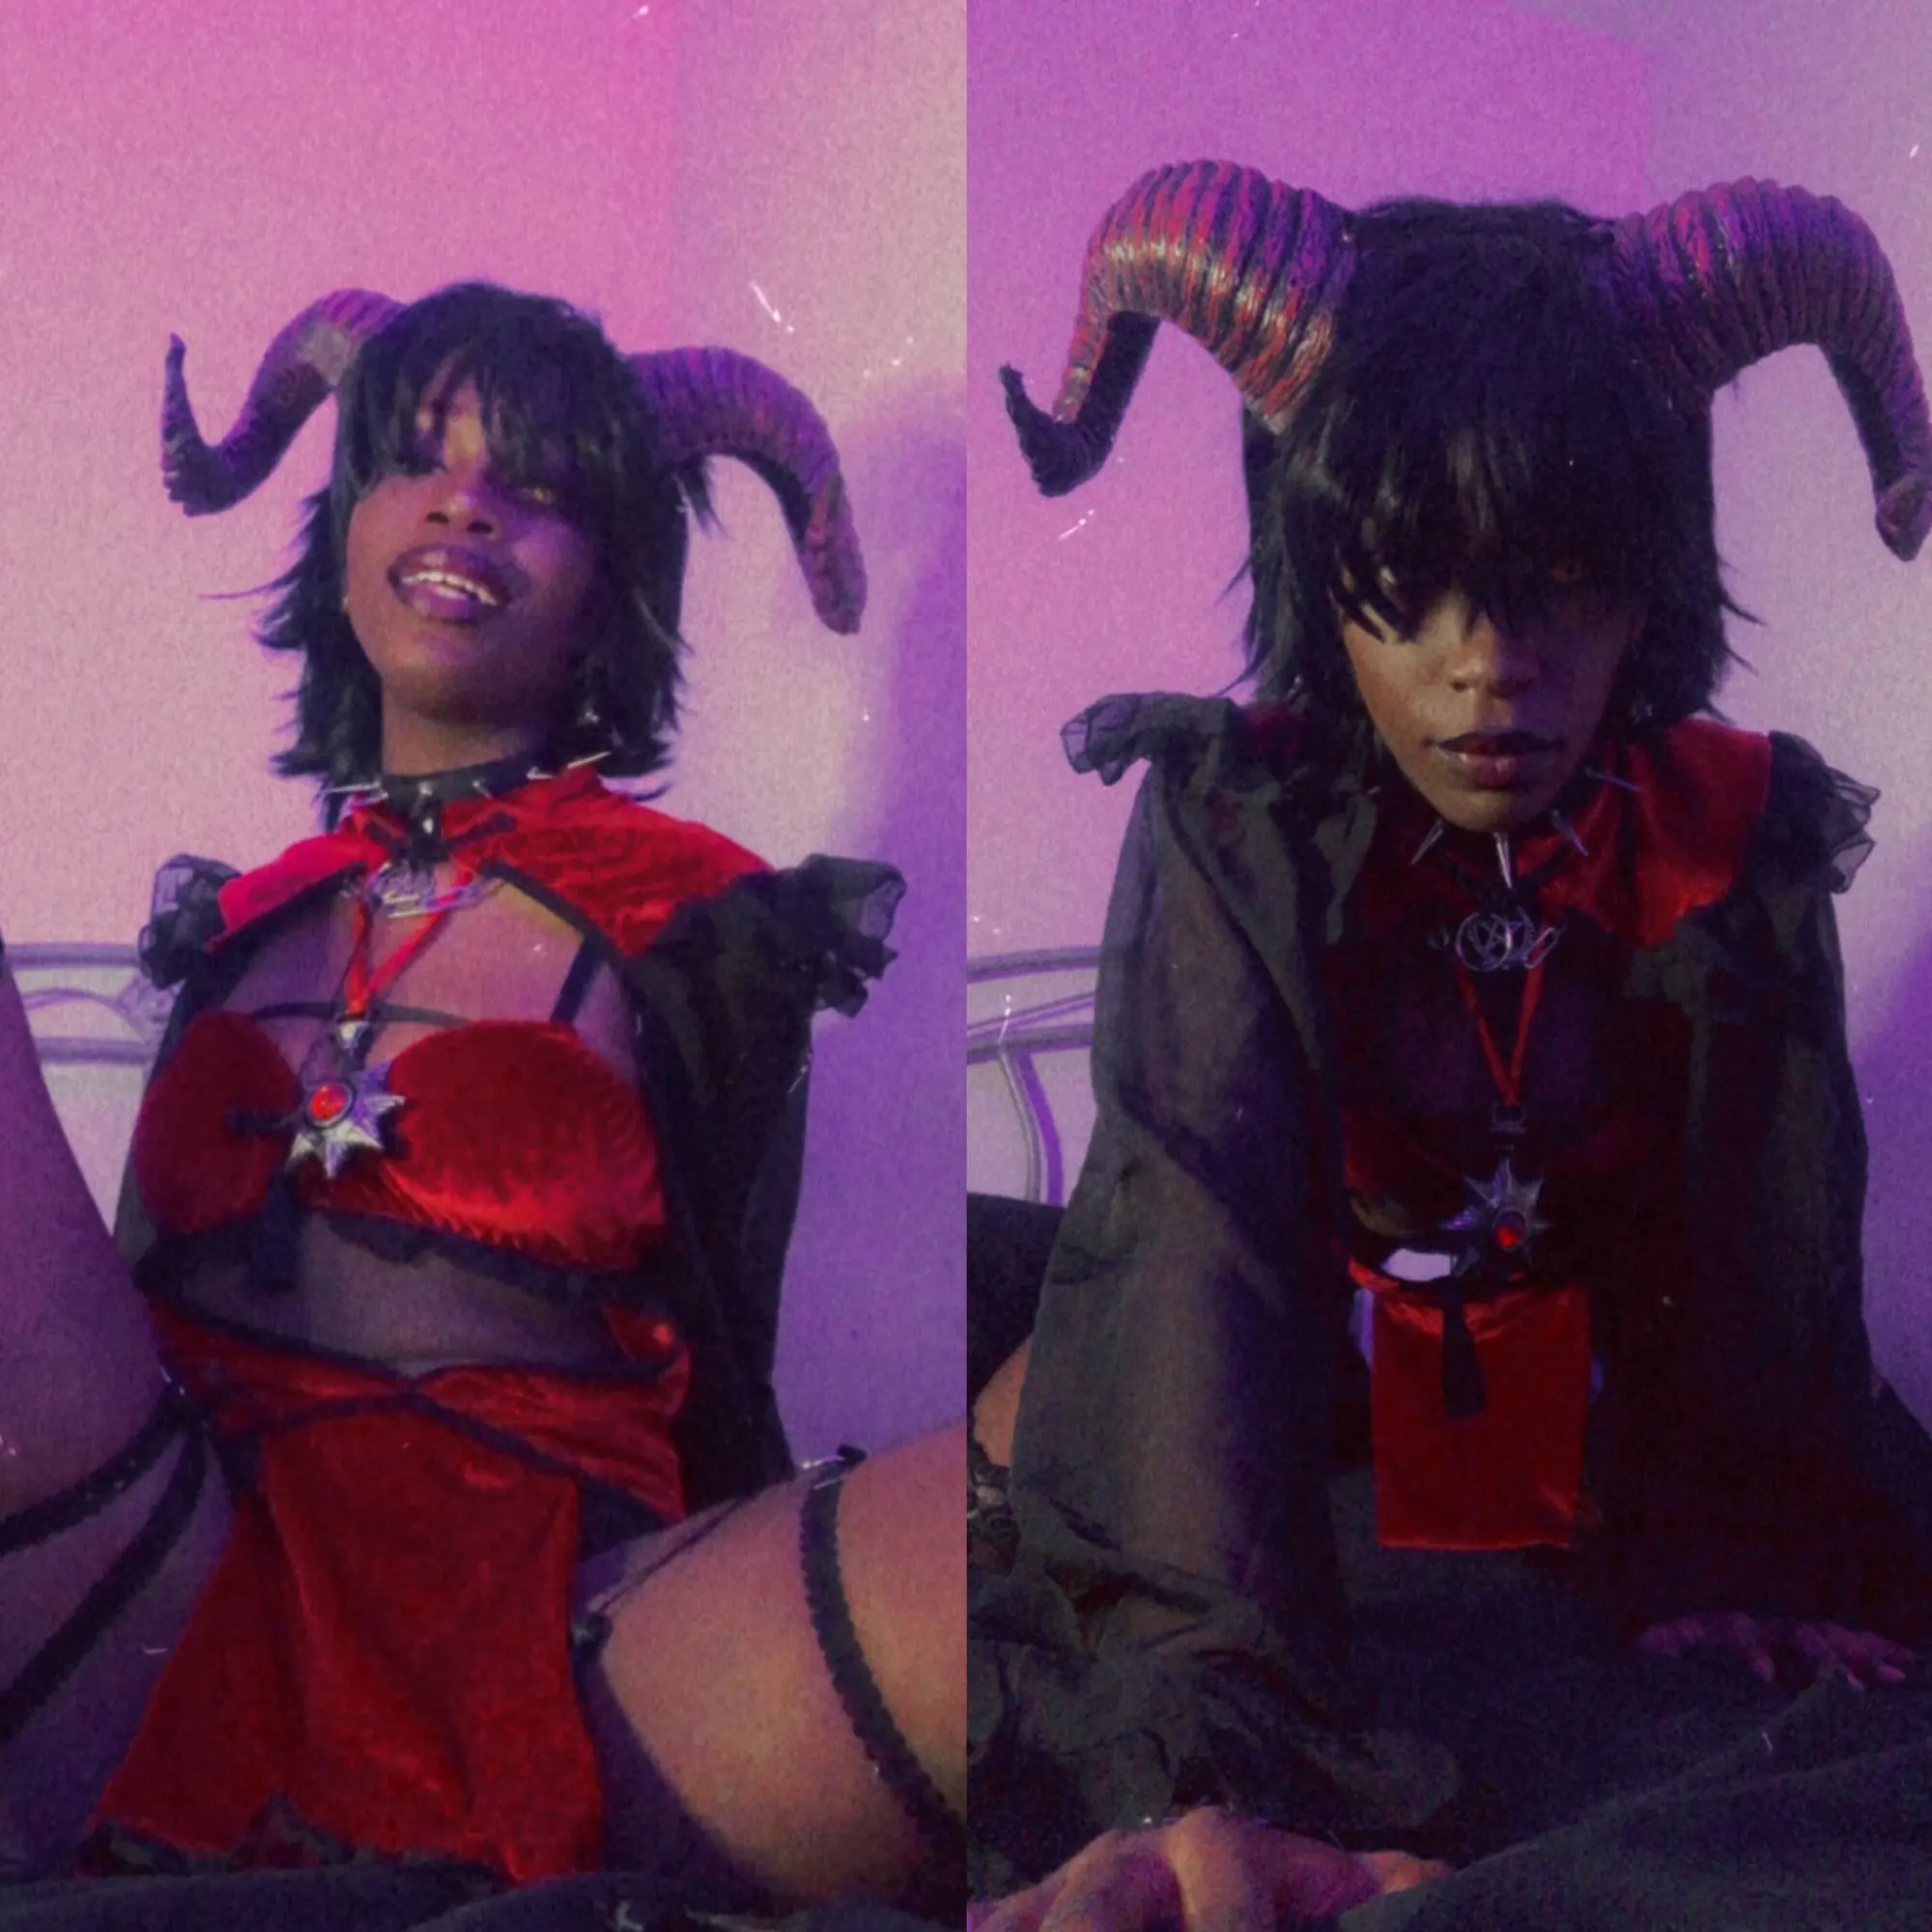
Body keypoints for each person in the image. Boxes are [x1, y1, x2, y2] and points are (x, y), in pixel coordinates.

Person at [968, 164, 1932, 1928]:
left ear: (1653, 574)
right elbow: (1192, 1227)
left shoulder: (1728, 829)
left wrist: (1746, 1553)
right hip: (1289, 1354)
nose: (1491, 665)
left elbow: (1765, 1233)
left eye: (1567, 576)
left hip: (1557, 1391)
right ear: (1318, 574)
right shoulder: (1247, 818)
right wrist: (1201, 1712)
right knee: (1033, 1350)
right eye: (1406, 580)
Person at [0, 283, 964, 1926]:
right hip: (170, 1569)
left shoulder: (704, 930)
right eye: (415, 459)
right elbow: (113, 1303)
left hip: (548, 1611)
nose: (465, 504)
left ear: (611, 585)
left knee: (999, 1513)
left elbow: (722, 1345)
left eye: (540, 485)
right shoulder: (238, 928)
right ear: (344, 533)